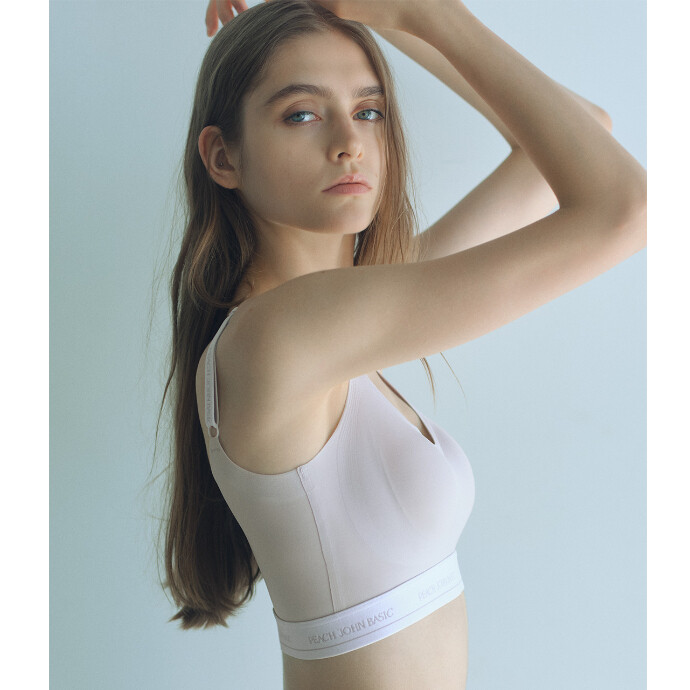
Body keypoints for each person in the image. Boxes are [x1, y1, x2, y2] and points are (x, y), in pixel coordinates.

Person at [158, 1, 646, 688]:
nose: (348, 143)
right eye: (301, 114)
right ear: (222, 156)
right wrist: (426, 14)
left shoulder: (335, 320)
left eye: (369, 111)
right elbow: (623, 207)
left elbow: (582, 131)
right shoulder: (283, 336)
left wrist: (381, 16)